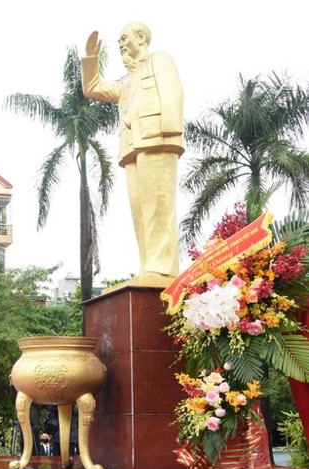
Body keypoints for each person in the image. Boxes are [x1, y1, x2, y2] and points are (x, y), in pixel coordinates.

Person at [81, 22, 184, 283]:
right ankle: (149, 266)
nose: (121, 45)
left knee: (158, 206)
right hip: (132, 148)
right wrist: (91, 59)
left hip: (157, 139)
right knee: (140, 210)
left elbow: (173, 94)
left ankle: (162, 270)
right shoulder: (127, 83)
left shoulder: (159, 60)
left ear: (142, 37)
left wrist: (168, 133)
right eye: (118, 42)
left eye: (125, 38)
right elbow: (92, 87)